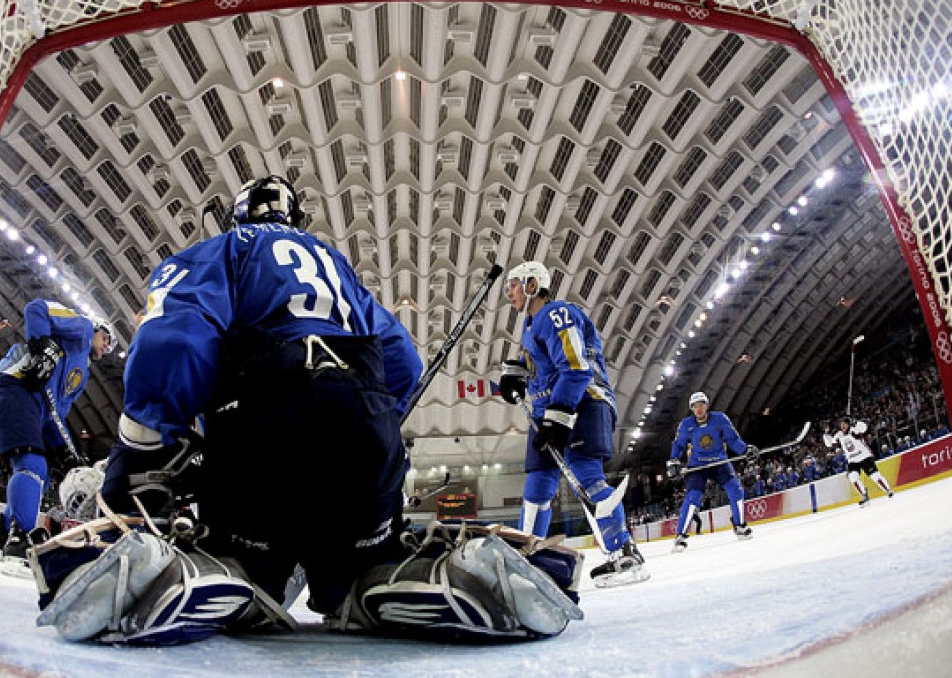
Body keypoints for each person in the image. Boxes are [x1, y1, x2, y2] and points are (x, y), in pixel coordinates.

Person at [30, 176, 585, 645]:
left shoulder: (228, 249)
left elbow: (173, 341)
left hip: (263, 436)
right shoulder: (338, 270)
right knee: (360, 569)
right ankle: (392, 578)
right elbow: (404, 364)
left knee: (248, 570)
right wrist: (369, 436)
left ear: (235, 215)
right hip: (365, 438)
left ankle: (205, 574)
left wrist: (141, 449)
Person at [497, 261, 648, 587]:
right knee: (537, 488)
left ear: (533, 285)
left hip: (582, 403)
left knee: (586, 476)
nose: (508, 292)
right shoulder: (530, 327)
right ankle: (528, 560)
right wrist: (517, 378)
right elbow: (542, 372)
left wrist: (559, 416)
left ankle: (624, 554)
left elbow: (577, 367)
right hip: (550, 413)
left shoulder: (556, 314)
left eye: (514, 285)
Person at [0, 299, 113, 576]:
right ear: (99, 329)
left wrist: (68, 451)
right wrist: (42, 345)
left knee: (36, 476)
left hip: (31, 403)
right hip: (12, 385)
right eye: (107, 338)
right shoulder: (83, 328)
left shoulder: (82, 374)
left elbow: (55, 414)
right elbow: (36, 309)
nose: (107, 346)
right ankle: (18, 542)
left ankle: (4, 534)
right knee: (32, 465)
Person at [666, 391, 758, 552]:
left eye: (701, 405)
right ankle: (680, 535)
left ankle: (740, 526)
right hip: (697, 466)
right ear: (692, 409)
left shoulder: (720, 419)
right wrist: (673, 460)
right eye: (695, 406)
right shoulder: (686, 424)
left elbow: (732, 439)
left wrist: (745, 450)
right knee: (693, 497)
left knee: (735, 490)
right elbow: (679, 445)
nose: (699, 409)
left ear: (707, 406)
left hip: (720, 462)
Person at [823, 417, 894, 506]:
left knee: (875, 476)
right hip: (852, 460)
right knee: (853, 478)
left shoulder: (854, 429)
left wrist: (856, 422)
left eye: (844, 424)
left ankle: (888, 490)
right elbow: (829, 444)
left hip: (865, 457)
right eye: (841, 425)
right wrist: (826, 434)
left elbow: (864, 428)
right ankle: (864, 495)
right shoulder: (839, 435)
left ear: (848, 424)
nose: (843, 426)